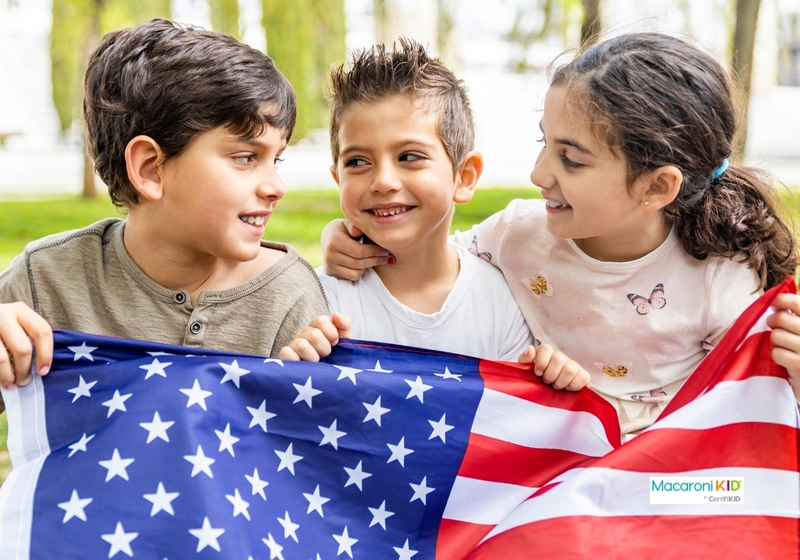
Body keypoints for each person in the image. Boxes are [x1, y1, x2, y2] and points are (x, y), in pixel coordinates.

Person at [320, 33, 800, 439]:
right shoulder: (517, 235)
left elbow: (751, 425)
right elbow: (424, 244)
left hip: (667, 484)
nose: (538, 174)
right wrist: (345, 235)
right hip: (554, 475)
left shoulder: (723, 282)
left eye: (571, 159)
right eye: (543, 144)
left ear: (656, 186)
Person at [0, 19, 329, 411]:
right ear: (150, 169)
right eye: (246, 157)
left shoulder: (289, 294)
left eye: (277, 159)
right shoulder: (45, 280)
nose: (276, 186)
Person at [279, 40, 590, 391]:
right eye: (357, 162)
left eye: (410, 156)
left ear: (465, 176)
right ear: (337, 179)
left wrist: (552, 384)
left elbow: (510, 422)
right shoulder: (318, 300)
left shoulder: (500, 298)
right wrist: (298, 371)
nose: (383, 181)